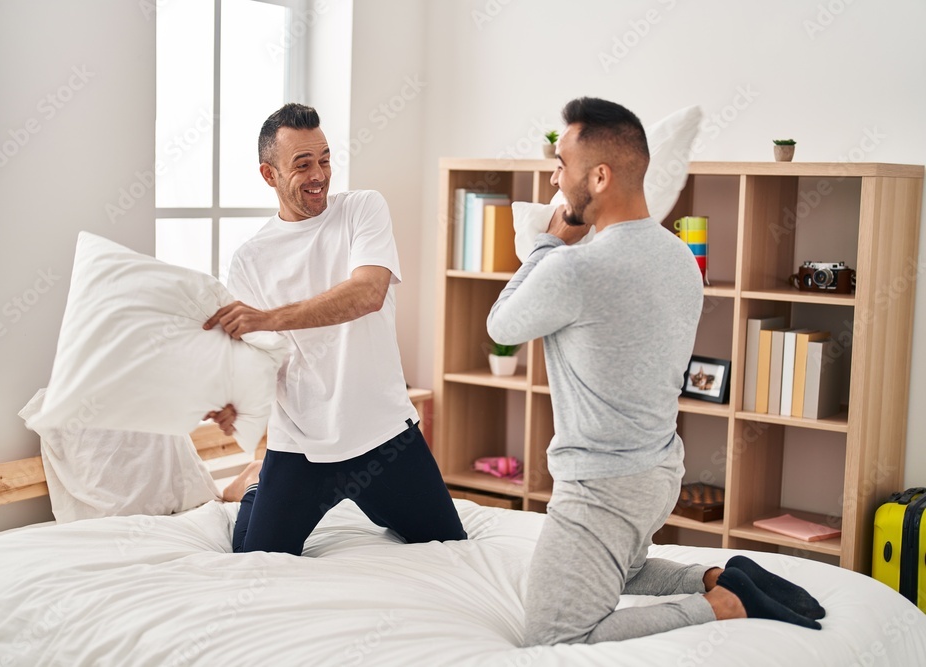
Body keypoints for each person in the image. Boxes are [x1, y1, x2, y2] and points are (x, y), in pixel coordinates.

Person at [487, 97, 824, 645]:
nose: (553, 178)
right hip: (657, 471)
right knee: (623, 567)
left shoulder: (574, 268)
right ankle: (719, 575)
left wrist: (549, 241)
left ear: (598, 176)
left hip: (600, 486)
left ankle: (723, 604)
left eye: (561, 165)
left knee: (556, 636)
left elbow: (501, 324)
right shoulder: (679, 258)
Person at [203, 103, 466, 556]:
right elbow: (256, 357)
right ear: (269, 175)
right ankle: (254, 483)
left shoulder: (362, 210)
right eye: (302, 164)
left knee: (447, 543)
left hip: (381, 434)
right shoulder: (250, 258)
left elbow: (368, 294)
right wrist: (234, 404)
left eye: (324, 159)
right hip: (300, 443)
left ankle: (355, 496)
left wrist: (268, 317)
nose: (318, 174)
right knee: (254, 555)